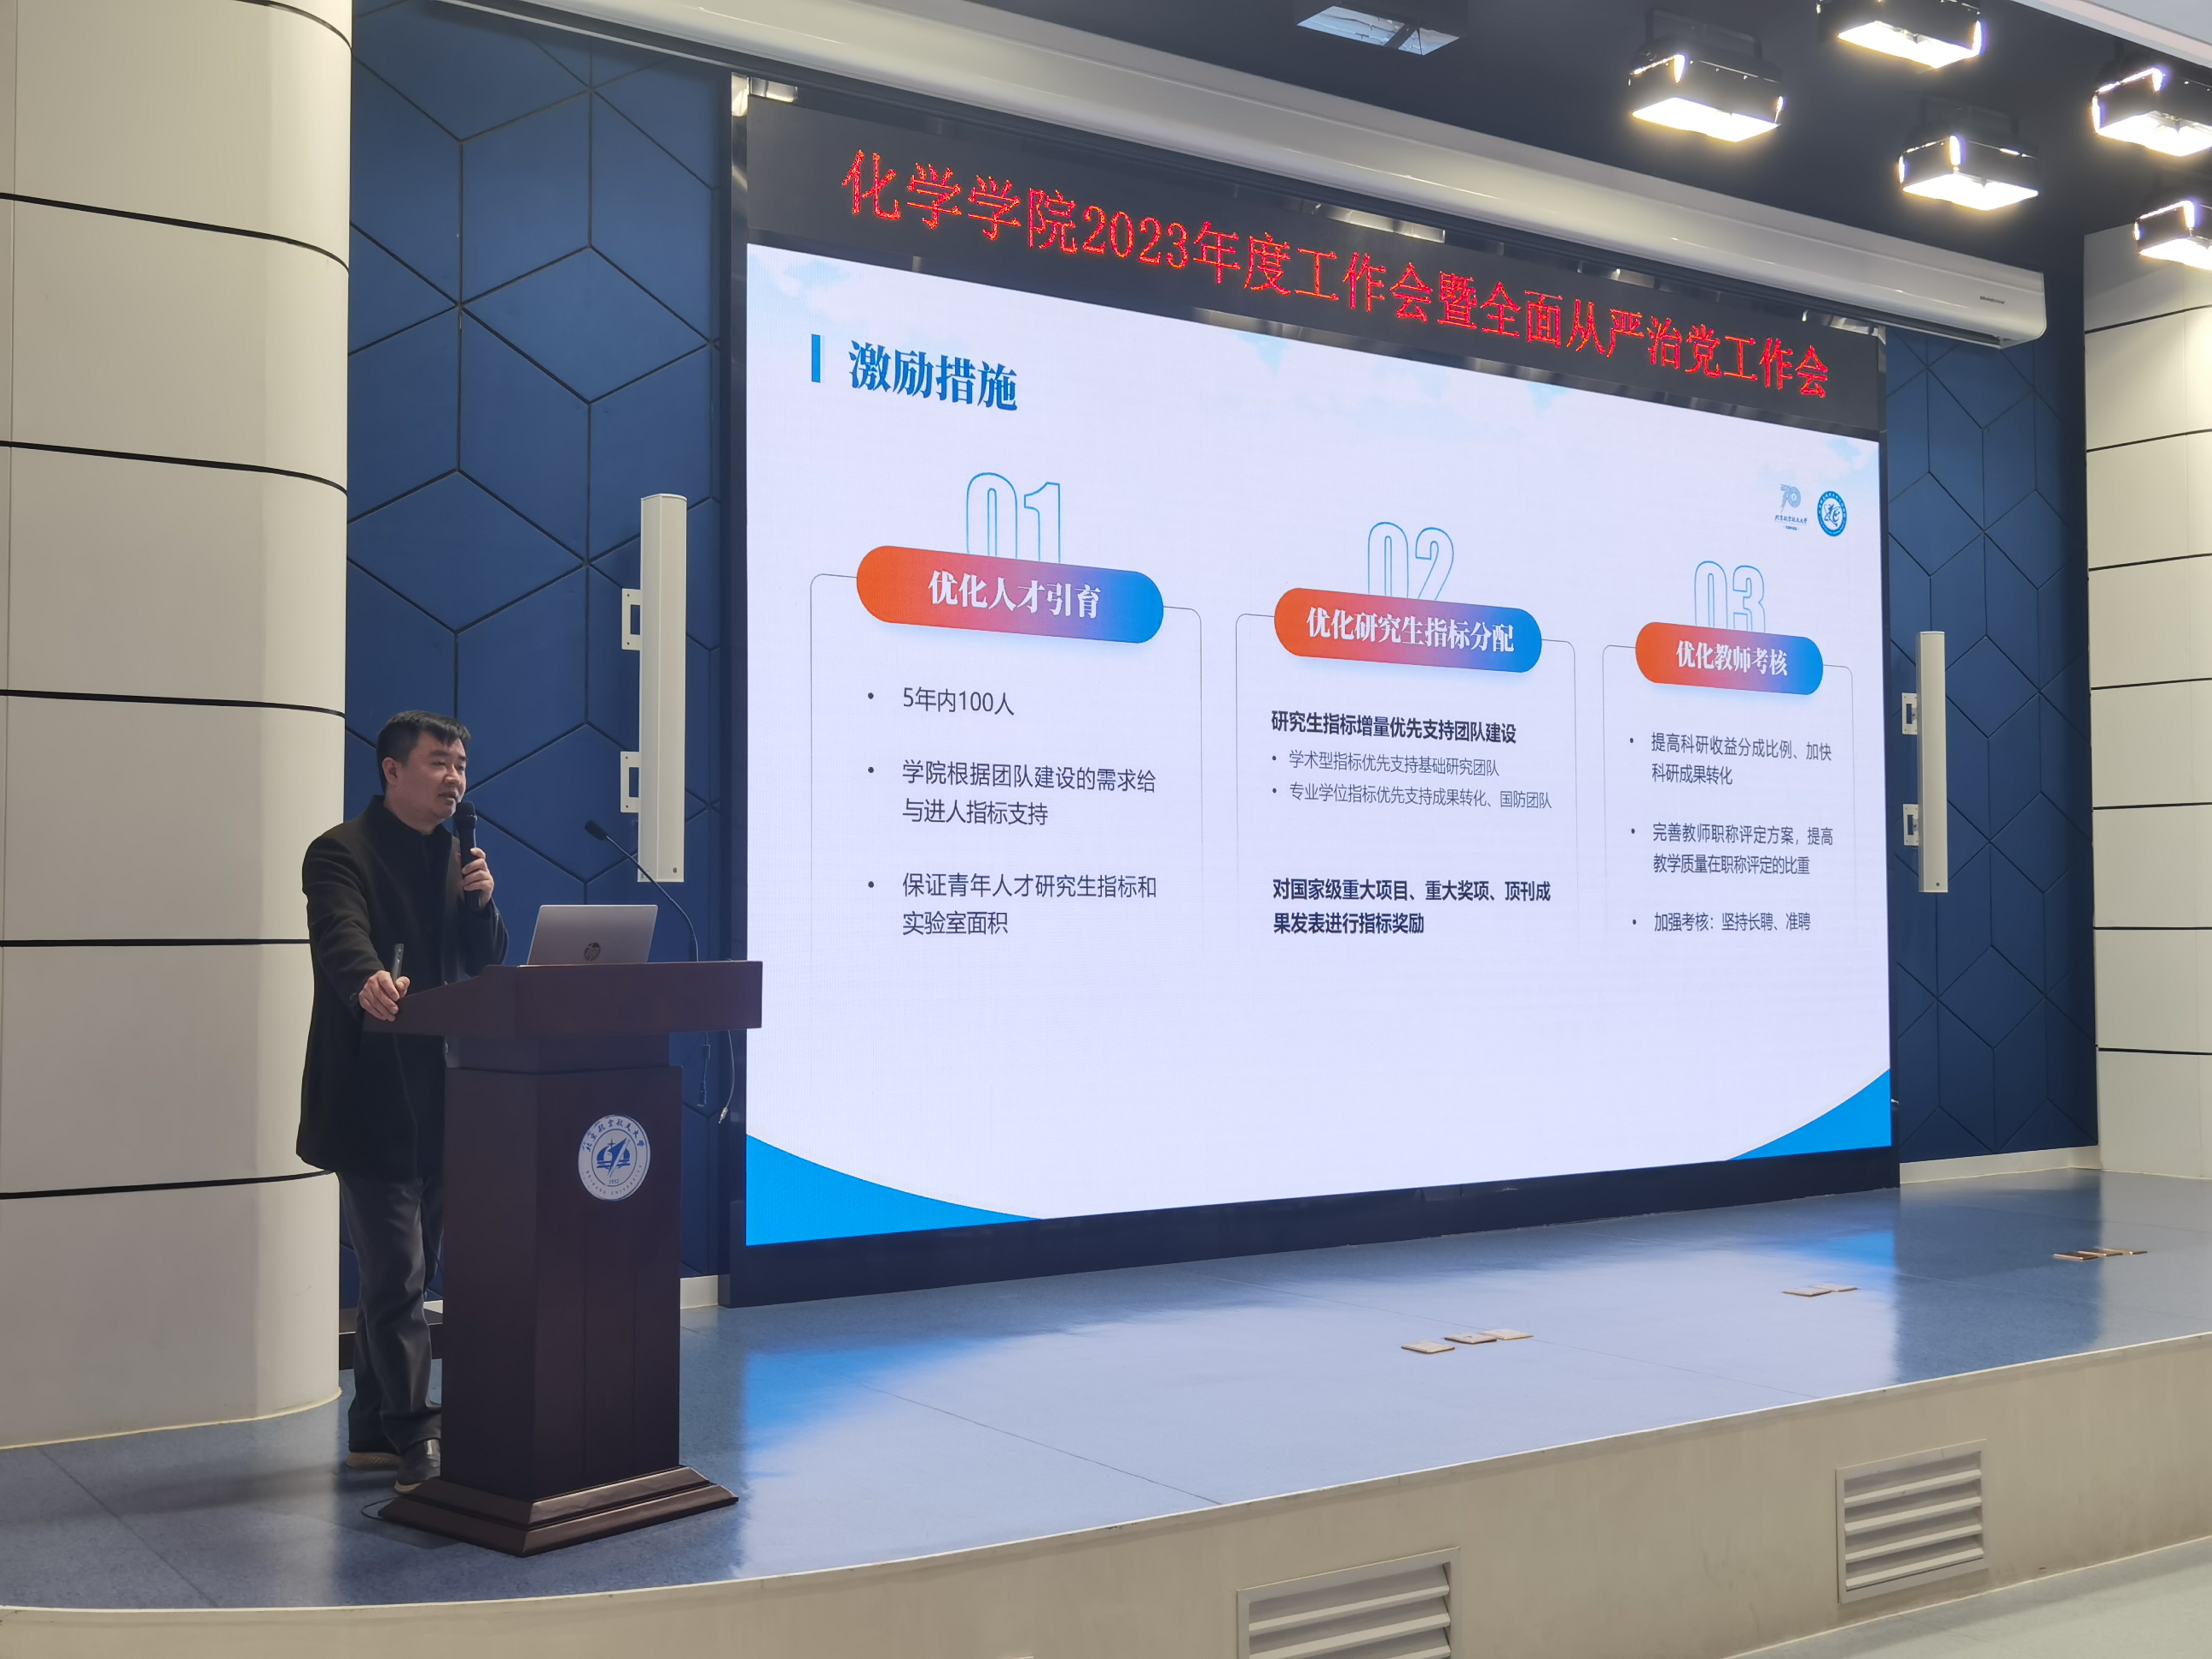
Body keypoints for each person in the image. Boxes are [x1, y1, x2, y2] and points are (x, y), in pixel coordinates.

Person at [298, 711, 508, 1493]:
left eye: (461, 765)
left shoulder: (457, 858)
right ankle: (418, 1433)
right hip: (370, 1092)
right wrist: (367, 981)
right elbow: (340, 934)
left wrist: (481, 904)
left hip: (445, 1092)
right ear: (392, 770)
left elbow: (484, 963)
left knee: (408, 1274)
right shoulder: (339, 851)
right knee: (396, 1273)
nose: (455, 778)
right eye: (439, 763)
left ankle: (372, 1428)